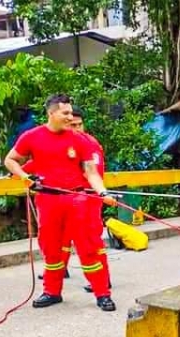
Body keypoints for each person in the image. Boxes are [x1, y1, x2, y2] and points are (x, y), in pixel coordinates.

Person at [5, 93, 116, 311]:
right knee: (51, 248)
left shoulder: (80, 140)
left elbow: (91, 172)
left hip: (77, 200)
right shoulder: (31, 137)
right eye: (65, 113)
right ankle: (52, 291)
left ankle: (102, 293)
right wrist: (25, 177)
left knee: (89, 247)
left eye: (71, 113)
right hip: (48, 201)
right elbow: (10, 160)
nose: (69, 117)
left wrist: (102, 192)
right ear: (51, 113)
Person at [67, 107, 112, 295]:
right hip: (73, 197)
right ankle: (57, 271)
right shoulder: (69, 144)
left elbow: (93, 173)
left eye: (79, 124)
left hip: (89, 197)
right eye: (72, 125)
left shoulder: (89, 144)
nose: (77, 128)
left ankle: (104, 279)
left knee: (92, 240)